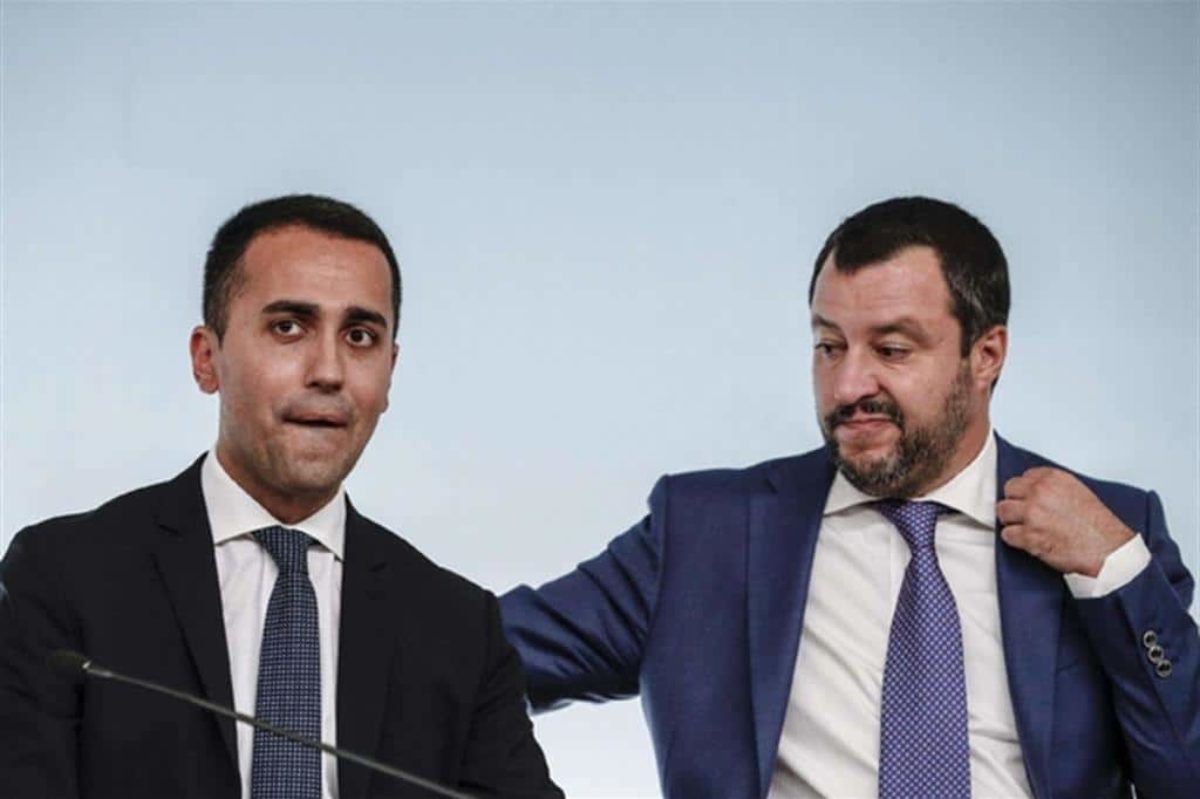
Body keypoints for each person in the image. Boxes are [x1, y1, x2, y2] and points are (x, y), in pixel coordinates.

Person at [500, 196, 1199, 798]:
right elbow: (475, 656)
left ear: (985, 355)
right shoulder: (707, 533)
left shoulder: (1113, 531)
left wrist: (1115, 570)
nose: (847, 386)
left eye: (891, 350)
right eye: (830, 346)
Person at [0, 195, 562, 799]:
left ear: (390, 374)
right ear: (207, 359)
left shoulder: (460, 629)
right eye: (288, 328)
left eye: (361, 336)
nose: (329, 371)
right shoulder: (63, 577)